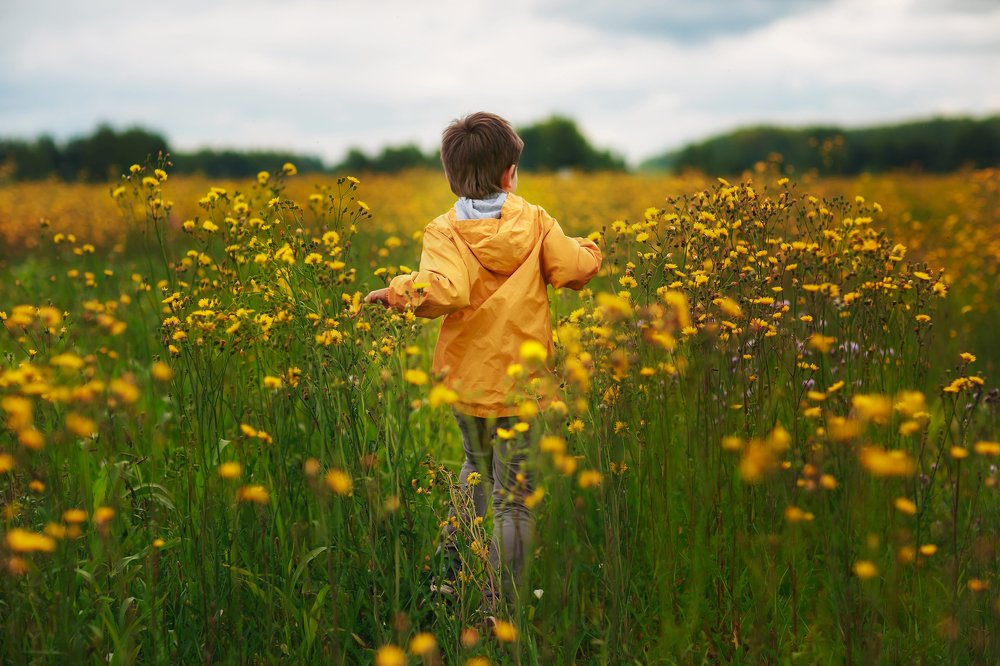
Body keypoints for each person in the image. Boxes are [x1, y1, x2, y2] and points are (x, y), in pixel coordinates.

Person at [364, 111, 602, 608]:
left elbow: (445, 290)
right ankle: (500, 604)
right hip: (524, 386)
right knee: (514, 500)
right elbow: (573, 270)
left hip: (468, 385)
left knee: (476, 467)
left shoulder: (443, 231)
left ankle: (448, 577)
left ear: (450, 176)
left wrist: (398, 290)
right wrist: (589, 250)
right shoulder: (536, 220)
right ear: (510, 174)